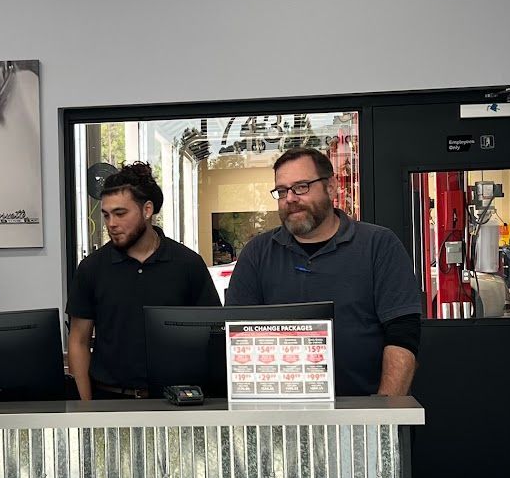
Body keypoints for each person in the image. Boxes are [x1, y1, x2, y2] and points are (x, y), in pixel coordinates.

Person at [225, 148, 423, 396]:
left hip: (363, 410)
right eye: (282, 191)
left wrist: (383, 415)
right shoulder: (257, 252)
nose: (290, 198)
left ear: (331, 187)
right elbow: (238, 335)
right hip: (278, 414)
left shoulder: (378, 244)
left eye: (301, 187)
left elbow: (403, 335)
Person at [67, 163, 219, 399]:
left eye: (120, 213)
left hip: (176, 401)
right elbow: (78, 341)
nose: (111, 224)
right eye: (106, 215)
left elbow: (213, 337)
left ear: (147, 210)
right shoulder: (91, 268)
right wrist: (86, 410)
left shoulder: (188, 264)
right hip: (110, 400)